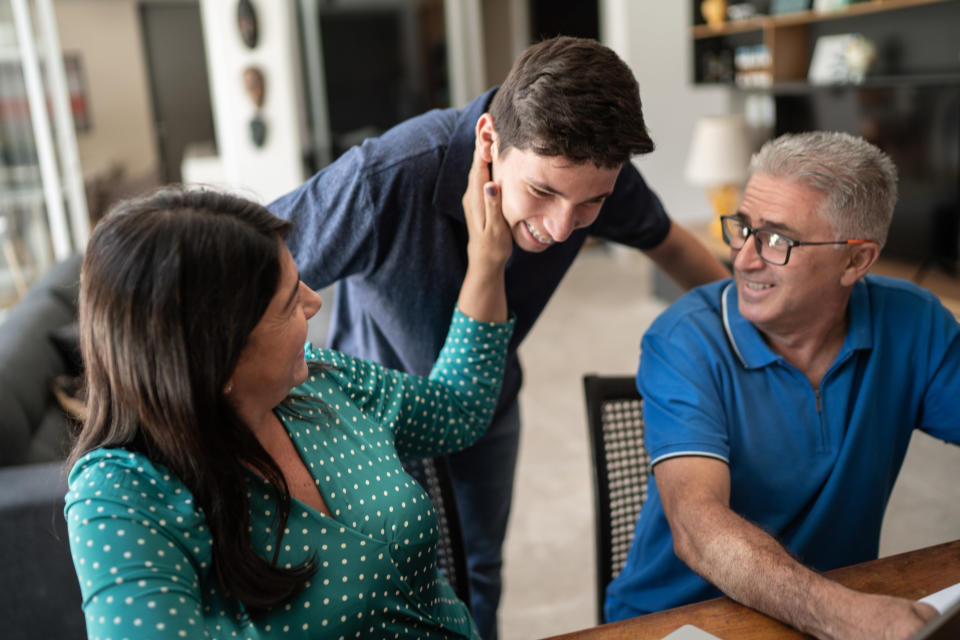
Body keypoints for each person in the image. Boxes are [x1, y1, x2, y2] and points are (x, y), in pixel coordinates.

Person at [268, 35, 729, 637]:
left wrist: (743, 328)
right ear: (490, 140)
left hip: (487, 402)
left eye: (591, 204)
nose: (563, 227)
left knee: (478, 572)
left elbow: (669, 244)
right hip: (374, 414)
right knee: (379, 587)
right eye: (542, 192)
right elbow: (239, 266)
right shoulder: (384, 178)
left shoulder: (585, 173)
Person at [64, 180, 516, 640]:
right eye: (287, 304)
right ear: (214, 361)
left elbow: (456, 410)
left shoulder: (318, 380)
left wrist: (488, 261)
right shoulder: (120, 496)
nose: (314, 302)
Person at [605, 131, 960, 639]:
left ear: (855, 261)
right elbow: (697, 527)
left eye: (777, 240)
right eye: (743, 228)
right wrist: (847, 616)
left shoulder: (914, 321)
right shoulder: (683, 339)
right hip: (676, 622)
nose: (744, 259)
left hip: (819, 616)